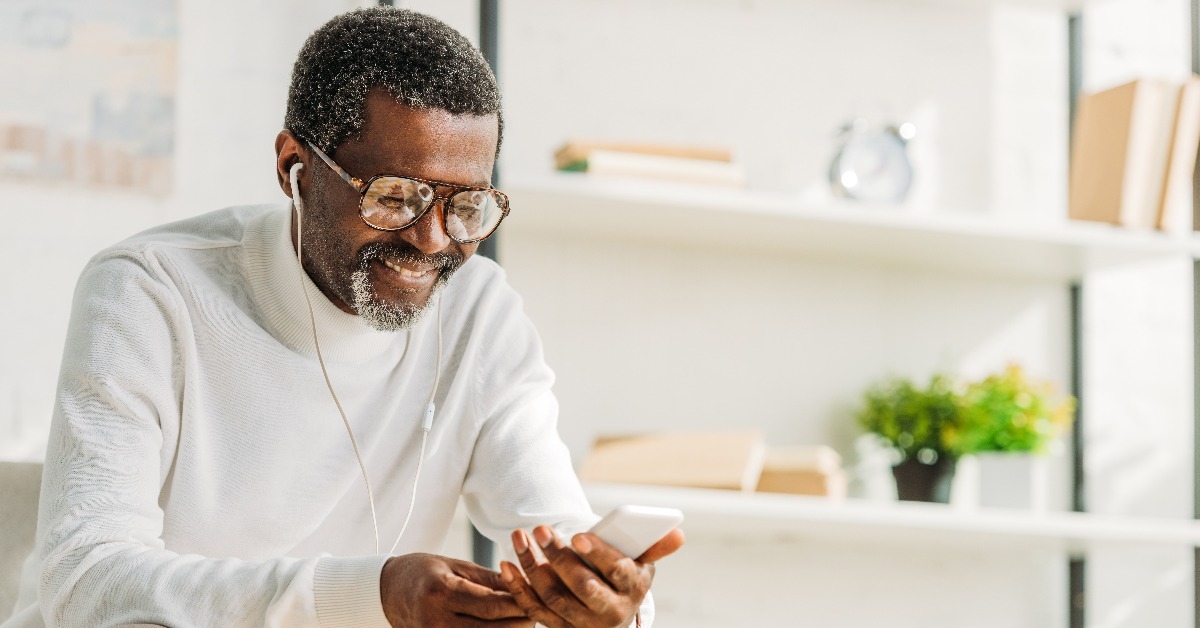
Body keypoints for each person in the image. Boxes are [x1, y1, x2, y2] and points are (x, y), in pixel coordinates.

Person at [2, 8, 682, 628]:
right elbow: (85, 582)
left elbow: (555, 532)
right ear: (293, 167)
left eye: (467, 205)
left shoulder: (480, 313)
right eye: (395, 196)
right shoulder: (150, 290)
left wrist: (606, 598)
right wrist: (373, 593)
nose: (433, 240)